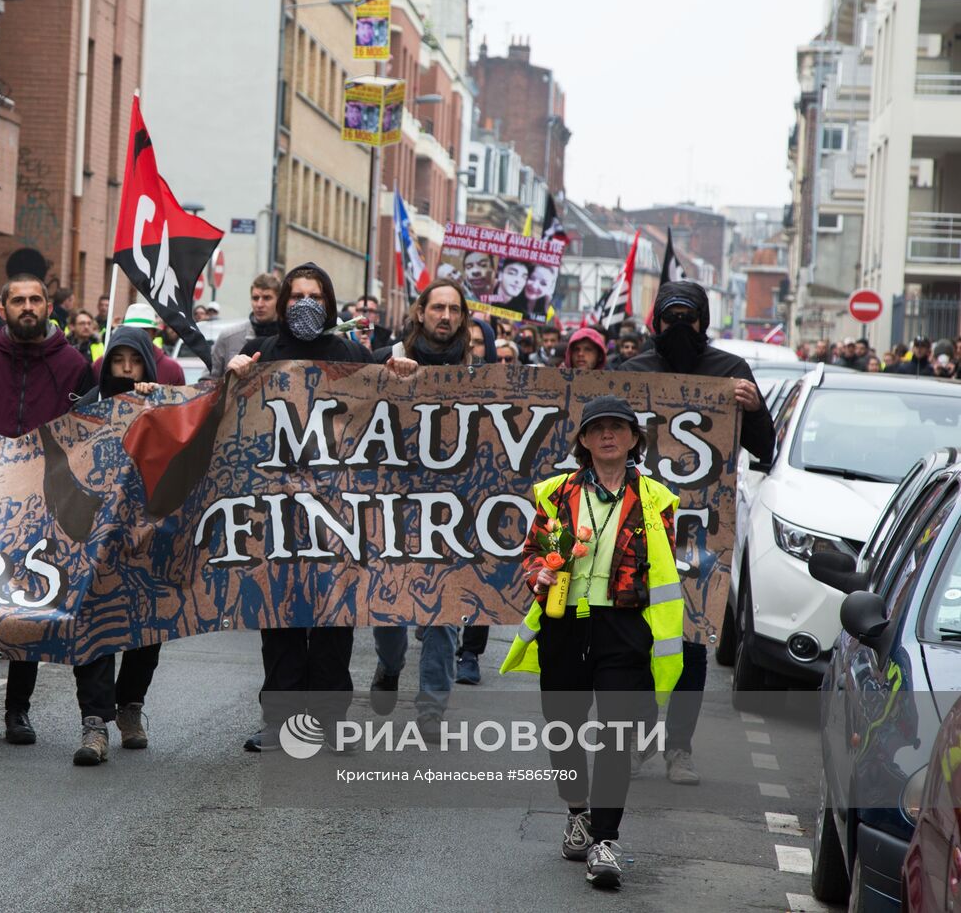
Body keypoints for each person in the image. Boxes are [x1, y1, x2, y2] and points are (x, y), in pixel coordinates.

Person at [228, 262, 416, 751]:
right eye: (296, 296)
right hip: (279, 514)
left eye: (315, 295)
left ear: (329, 303)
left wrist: (396, 377)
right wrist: (231, 378)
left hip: (338, 515)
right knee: (282, 619)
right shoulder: (261, 353)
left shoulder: (351, 354)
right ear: (284, 302)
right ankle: (281, 722)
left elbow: (387, 417)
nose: (304, 304)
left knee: (333, 620)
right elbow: (229, 423)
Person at [501, 395, 685, 891]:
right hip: (565, 623)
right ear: (583, 441)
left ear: (633, 439)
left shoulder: (656, 500)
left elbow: (662, 566)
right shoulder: (557, 493)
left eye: (618, 428)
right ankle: (577, 812)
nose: (608, 435)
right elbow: (532, 551)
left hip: (623, 628)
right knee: (562, 727)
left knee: (616, 733)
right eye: (597, 428)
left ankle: (605, 839)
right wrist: (540, 571)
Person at [617, 280, 773, 786]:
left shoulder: (732, 373)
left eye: (689, 317)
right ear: (655, 323)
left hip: (694, 534)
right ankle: (640, 739)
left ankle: (678, 748)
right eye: (670, 317)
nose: (679, 326)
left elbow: (764, 448)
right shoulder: (630, 373)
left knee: (692, 638)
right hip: (633, 531)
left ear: (704, 322)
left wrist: (753, 408)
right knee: (634, 637)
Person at [0, 275, 95, 752]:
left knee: (27, 608)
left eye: (35, 300)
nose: (27, 307)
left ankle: (18, 707)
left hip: (43, 508)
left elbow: (90, 437)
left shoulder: (75, 366)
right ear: (3, 308)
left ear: (49, 306)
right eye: (18, 300)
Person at [369, 281, 477, 736]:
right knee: (387, 606)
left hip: (452, 512)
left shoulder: (479, 374)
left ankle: (431, 707)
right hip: (391, 508)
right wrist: (384, 377)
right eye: (438, 307)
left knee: (443, 613)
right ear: (419, 312)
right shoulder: (382, 358)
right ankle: (390, 666)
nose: (445, 316)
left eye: (454, 309)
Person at [68, 326, 169, 763]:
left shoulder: (161, 403)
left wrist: (154, 402)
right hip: (94, 539)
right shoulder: (88, 406)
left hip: (146, 537)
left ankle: (130, 707)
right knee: (92, 627)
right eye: (118, 361)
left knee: (146, 628)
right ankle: (94, 724)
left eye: (135, 361)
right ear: (106, 363)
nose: (127, 369)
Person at [207, 273, 281, 381]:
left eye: (267, 298)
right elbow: (206, 383)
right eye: (255, 298)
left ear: (279, 301)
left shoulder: (287, 338)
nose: (259, 304)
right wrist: (230, 375)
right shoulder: (228, 337)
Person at [93, 304, 187, 384]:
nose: (138, 335)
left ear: (154, 334)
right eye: (132, 330)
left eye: (144, 331)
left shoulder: (172, 369)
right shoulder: (101, 365)